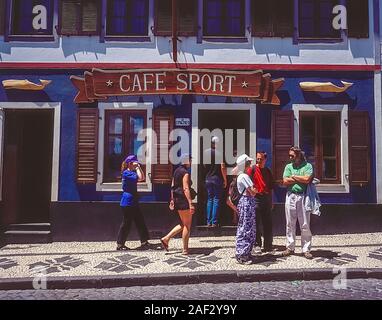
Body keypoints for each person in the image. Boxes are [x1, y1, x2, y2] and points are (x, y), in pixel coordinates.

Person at [282, 146, 314, 259]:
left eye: (292, 155)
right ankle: (290, 247)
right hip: (290, 196)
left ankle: (306, 249)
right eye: (289, 155)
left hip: (303, 196)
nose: (290, 158)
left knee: (305, 223)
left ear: (299, 155)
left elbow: (307, 180)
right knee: (290, 223)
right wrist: (300, 178)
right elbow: (285, 181)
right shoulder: (288, 166)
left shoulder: (308, 166)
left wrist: (293, 176)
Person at [161, 154, 195, 255]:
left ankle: (166, 239)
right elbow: (185, 188)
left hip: (177, 199)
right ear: (187, 161)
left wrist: (172, 199)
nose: (191, 162)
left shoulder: (176, 171)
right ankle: (185, 249)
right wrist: (190, 203)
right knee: (187, 226)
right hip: (183, 200)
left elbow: (172, 186)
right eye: (190, 160)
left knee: (183, 223)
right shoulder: (185, 173)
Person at [116, 155, 150, 251]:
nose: (137, 163)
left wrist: (138, 168)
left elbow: (142, 177)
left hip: (133, 202)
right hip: (127, 202)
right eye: (135, 162)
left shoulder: (131, 172)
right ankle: (120, 244)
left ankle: (144, 242)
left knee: (140, 222)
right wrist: (138, 167)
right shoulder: (127, 173)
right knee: (126, 224)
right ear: (130, 163)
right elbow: (140, 178)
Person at [246, 151, 275, 253]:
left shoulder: (267, 171)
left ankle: (268, 245)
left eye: (261, 159)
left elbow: (271, 187)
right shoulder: (252, 170)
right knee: (256, 222)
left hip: (266, 198)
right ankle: (257, 244)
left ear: (265, 159)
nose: (259, 160)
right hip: (256, 198)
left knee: (268, 222)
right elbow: (248, 184)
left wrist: (271, 201)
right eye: (257, 158)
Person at [235, 154, 258, 265]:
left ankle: (246, 252)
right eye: (248, 162)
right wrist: (255, 190)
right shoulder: (244, 176)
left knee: (248, 227)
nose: (250, 164)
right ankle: (242, 254)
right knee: (245, 228)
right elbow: (253, 191)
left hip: (247, 201)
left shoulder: (243, 175)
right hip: (246, 202)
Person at [203, 136, 228, 227]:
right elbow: (222, 167)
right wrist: (225, 179)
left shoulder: (205, 152)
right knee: (216, 199)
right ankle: (214, 222)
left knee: (210, 199)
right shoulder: (220, 153)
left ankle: (208, 221)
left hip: (208, 179)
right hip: (217, 179)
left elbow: (205, 165)